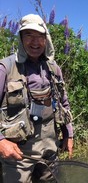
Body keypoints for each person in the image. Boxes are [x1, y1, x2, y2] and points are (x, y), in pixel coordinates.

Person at [0, 14, 74, 182]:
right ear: (20, 38)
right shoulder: (5, 68)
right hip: (17, 155)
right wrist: (1, 141)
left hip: (50, 150)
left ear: (46, 39)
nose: (35, 42)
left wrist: (68, 134)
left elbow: (64, 104)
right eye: (29, 35)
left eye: (40, 36)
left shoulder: (54, 69)